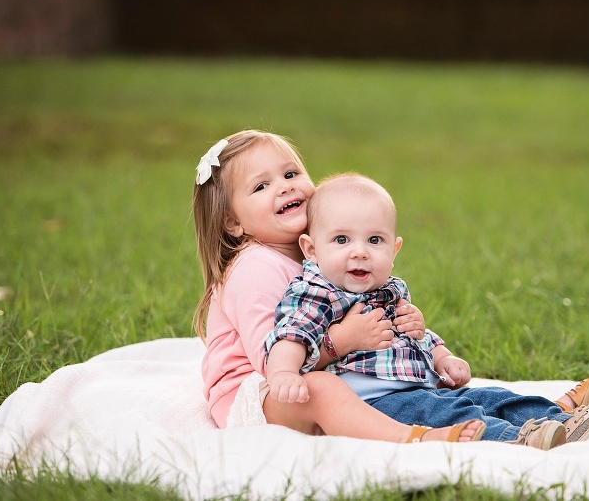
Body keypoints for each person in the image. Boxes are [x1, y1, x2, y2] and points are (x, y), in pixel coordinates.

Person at [265, 173, 589, 449]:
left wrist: (443, 356)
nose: (359, 251)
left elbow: (419, 339)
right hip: (376, 401)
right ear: (311, 249)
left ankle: (565, 420)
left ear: (394, 250)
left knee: (489, 397)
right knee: (454, 416)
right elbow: (293, 334)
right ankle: (520, 438)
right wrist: (283, 371)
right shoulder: (316, 292)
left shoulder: (390, 290)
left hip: (424, 384)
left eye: (374, 240)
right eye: (342, 240)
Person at [193, 129, 487, 443]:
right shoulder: (254, 268)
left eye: (291, 173)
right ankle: (413, 438)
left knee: (392, 379)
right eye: (262, 186)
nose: (284, 186)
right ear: (232, 222)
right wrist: (341, 340)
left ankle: (507, 412)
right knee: (322, 389)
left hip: (301, 375)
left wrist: (403, 325)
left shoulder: (320, 250)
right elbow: (271, 361)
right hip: (257, 393)